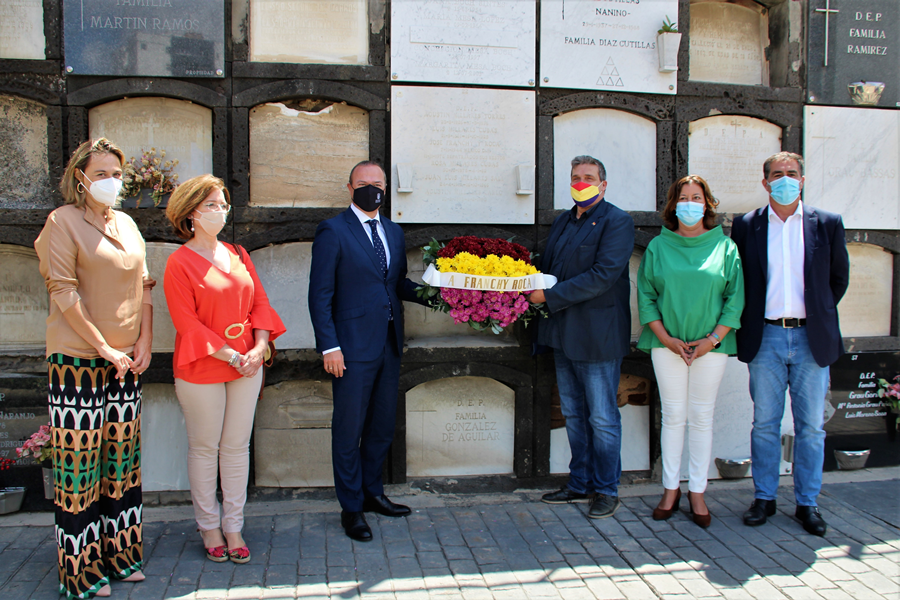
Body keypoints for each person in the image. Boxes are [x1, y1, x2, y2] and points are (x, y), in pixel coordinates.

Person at [34, 138, 151, 599]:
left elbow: (145, 287)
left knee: (121, 463)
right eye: (101, 173)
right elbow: (63, 291)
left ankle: (121, 555)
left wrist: (144, 342)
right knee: (78, 469)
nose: (110, 182)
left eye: (117, 174)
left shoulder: (126, 222)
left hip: (126, 362)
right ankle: (80, 572)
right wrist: (103, 347)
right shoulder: (62, 222)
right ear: (79, 177)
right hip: (77, 362)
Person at [163, 175, 285, 562]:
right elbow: (187, 324)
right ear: (191, 213)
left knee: (236, 448)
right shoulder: (179, 263)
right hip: (203, 366)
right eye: (212, 205)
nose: (221, 211)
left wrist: (261, 347)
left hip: (248, 364)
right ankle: (209, 526)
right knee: (205, 449)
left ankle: (234, 527)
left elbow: (260, 306)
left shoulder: (239, 253)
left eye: (223, 205)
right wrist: (233, 356)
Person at [732, 152, 849, 537]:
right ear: (765, 182)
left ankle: (807, 503)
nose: (785, 179)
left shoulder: (827, 223)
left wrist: (814, 313)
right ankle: (764, 497)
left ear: (802, 179)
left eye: (792, 173)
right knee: (764, 423)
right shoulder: (747, 225)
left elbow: (837, 280)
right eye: (777, 174)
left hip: (810, 337)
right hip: (765, 336)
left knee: (811, 427)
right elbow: (742, 280)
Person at [308, 161, 426, 541]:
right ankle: (352, 508)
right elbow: (319, 295)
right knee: (348, 430)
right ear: (350, 188)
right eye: (363, 184)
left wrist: (442, 295)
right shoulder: (333, 231)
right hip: (351, 349)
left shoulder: (393, 231)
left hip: (389, 344)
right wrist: (329, 345)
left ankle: (373, 493)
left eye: (377, 184)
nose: (371, 189)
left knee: (380, 427)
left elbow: (397, 284)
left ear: (386, 188)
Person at [529, 155, 635, 519]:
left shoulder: (616, 221)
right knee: (574, 413)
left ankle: (606, 489)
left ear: (603, 185)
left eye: (588, 177)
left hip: (597, 336)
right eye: (575, 177)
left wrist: (548, 296)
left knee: (602, 416)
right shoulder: (563, 220)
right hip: (562, 333)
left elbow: (603, 275)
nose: (580, 182)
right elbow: (548, 269)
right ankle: (579, 483)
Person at [636, 175, 745, 528]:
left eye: (696, 197)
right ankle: (670, 488)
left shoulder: (725, 248)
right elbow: (646, 295)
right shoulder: (658, 246)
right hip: (666, 344)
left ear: (707, 204)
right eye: (683, 197)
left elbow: (734, 299)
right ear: (673, 205)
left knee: (701, 418)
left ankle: (697, 491)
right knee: (673, 416)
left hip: (710, 347)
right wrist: (666, 338)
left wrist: (711, 340)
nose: (689, 204)